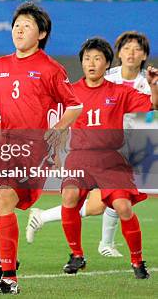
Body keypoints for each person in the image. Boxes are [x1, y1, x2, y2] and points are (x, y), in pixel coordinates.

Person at [0, 2, 82, 294]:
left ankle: (9, 278)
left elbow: (74, 106)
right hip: (5, 147)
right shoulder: (1, 65)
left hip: (34, 149)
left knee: (4, 197)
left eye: (27, 26)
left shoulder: (51, 69)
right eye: (16, 25)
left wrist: (56, 131)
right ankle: (4, 259)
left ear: (42, 33)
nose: (19, 30)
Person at [26, 31, 153, 257]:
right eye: (126, 49)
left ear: (144, 55)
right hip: (99, 149)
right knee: (111, 201)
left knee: (105, 204)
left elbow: (150, 109)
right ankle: (104, 244)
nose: (131, 54)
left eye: (137, 49)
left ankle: (43, 217)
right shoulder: (108, 76)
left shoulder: (147, 81)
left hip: (128, 148)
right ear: (117, 54)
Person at [58, 38, 156, 279]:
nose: (91, 63)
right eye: (87, 58)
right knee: (69, 196)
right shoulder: (70, 91)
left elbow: (153, 104)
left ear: (107, 64)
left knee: (123, 207)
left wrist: (154, 86)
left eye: (97, 58)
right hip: (79, 157)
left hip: (110, 159)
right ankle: (76, 255)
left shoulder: (120, 92)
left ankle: (137, 260)